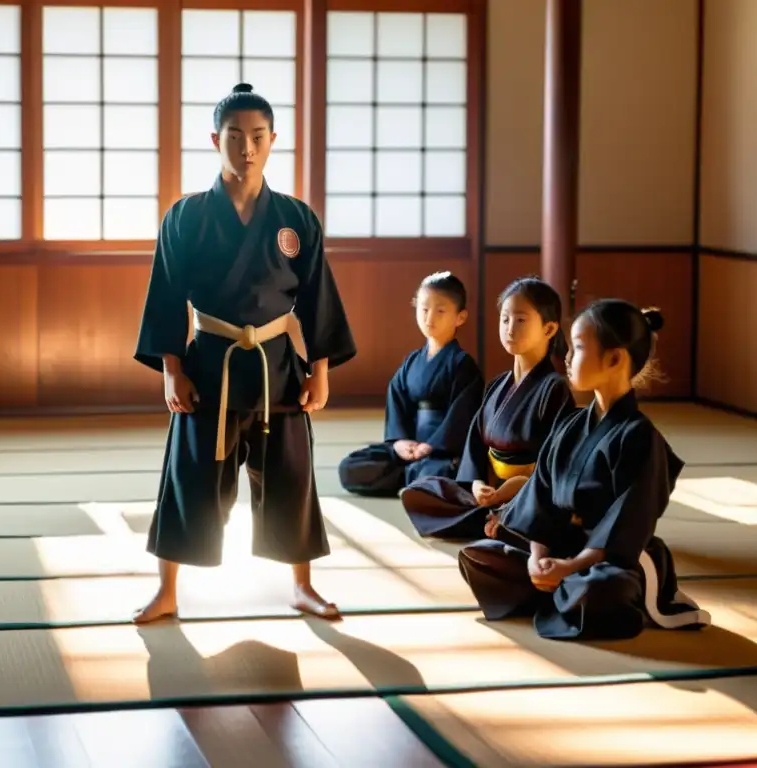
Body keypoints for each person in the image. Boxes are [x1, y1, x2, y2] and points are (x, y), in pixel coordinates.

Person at [131, 83, 356, 624]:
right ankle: (167, 591)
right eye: (235, 137)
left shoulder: (296, 219)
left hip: (277, 361)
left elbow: (317, 297)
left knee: (292, 474)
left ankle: (302, 585)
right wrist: (171, 370)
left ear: (273, 140)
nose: (247, 148)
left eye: (258, 137)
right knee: (189, 472)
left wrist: (319, 369)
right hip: (210, 359)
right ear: (215, 140)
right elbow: (165, 296)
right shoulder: (185, 217)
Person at [459, 300, 712, 641]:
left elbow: (627, 524)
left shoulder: (640, 437)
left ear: (614, 359)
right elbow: (541, 498)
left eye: (577, 347)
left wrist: (570, 566)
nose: (566, 356)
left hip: (611, 557)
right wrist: (538, 557)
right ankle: (553, 588)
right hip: (562, 546)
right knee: (478, 556)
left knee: (604, 588)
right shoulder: (571, 424)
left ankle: (558, 590)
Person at [399, 277, 576, 540]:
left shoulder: (554, 389)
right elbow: (476, 446)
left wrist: (507, 493)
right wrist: (478, 483)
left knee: (536, 514)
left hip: (527, 493)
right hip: (489, 493)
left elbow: (554, 466)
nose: (510, 328)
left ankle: (506, 521)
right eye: (505, 319)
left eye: (521, 320)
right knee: (421, 490)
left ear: (549, 329)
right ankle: (496, 521)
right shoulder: (497, 385)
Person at [337, 272, 484, 497]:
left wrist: (432, 446)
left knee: (445, 469)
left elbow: (462, 416)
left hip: (442, 453)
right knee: (350, 467)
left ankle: (416, 478)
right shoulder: (412, 362)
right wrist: (400, 442)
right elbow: (397, 402)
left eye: (440, 311)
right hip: (410, 449)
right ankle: (415, 479)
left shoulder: (463, 364)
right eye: (424, 309)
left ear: (460, 317)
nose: (429, 318)